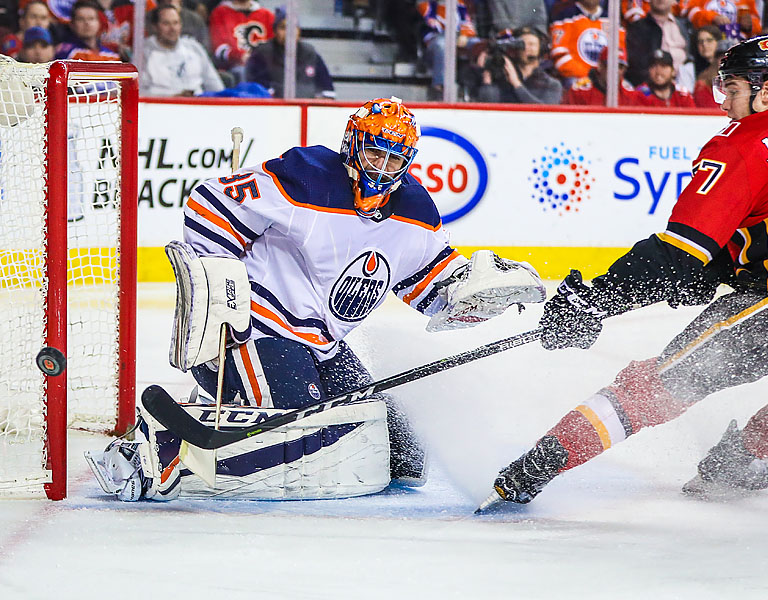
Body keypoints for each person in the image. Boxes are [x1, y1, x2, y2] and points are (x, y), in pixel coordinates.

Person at [479, 35, 768, 511]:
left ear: (766, 91)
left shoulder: (741, 145)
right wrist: (718, 267)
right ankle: (738, 459)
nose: (723, 100)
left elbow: (676, 253)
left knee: (662, 386)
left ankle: (536, 467)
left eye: (733, 87)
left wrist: (593, 300)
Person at [87, 97, 546, 502]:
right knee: (308, 435)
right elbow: (209, 204)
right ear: (352, 144)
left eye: (394, 160)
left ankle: (232, 403)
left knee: (400, 453)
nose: (380, 170)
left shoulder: (416, 212)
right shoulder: (307, 177)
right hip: (257, 331)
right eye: (373, 153)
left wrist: (479, 301)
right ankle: (161, 444)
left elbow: (430, 290)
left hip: (323, 345)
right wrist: (222, 291)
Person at [245, 7, 333, 99]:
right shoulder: (262, 53)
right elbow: (257, 91)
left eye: (293, 27)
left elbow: (327, 92)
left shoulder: (310, 53)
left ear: (299, 31)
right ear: (275, 31)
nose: (289, 32)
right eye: (283, 27)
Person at [140, 5, 224, 96]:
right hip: (161, 106)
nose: (172, 28)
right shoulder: (143, 53)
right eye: (166, 23)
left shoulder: (194, 48)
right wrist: (173, 97)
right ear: (155, 27)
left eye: (176, 23)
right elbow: (140, 93)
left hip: (197, 105)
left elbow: (215, 86)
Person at [476, 26, 562, 104]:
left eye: (532, 44)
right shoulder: (503, 78)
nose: (527, 48)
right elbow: (488, 107)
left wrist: (516, 84)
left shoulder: (551, 84)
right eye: (522, 44)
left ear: (541, 49)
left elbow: (544, 112)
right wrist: (486, 79)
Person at [417, 0, 477, 100]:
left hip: (457, 38)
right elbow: (432, 22)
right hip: (436, 39)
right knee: (442, 45)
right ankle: (439, 87)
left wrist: (464, 34)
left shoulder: (460, 4)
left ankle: (478, 86)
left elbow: (467, 22)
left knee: (477, 43)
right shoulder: (428, 4)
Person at [625, 0, 692, 89]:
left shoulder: (685, 26)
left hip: (685, 83)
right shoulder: (637, 28)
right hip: (654, 86)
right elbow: (637, 65)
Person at [208, 0, 274, 79]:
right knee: (243, 72)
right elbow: (220, 48)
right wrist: (240, 56)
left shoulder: (267, 15)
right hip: (234, 67)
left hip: (264, 65)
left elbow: (274, 44)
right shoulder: (220, 13)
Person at [564, 44, 642, 106]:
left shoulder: (630, 94)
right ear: (600, 66)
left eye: (620, 67)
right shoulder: (579, 91)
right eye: (611, 65)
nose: (616, 71)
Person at [549, 0, 606, 80]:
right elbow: (559, 56)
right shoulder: (564, 16)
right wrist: (589, 77)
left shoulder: (611, 19)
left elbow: (619, 57)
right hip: (576, 77)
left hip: (605, 81)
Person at [55, 0, 119, 60]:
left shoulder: (112, 55)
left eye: (91, 18)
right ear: (72, 24)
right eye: (81, 19)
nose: (87, 23)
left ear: (99, 23)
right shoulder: (65, 52)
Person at [682, 0, 761, 39]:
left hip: (737, 44)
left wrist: (750, 26)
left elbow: (757, 23)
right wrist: (712, 18)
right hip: (708, 43)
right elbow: (687, 11)